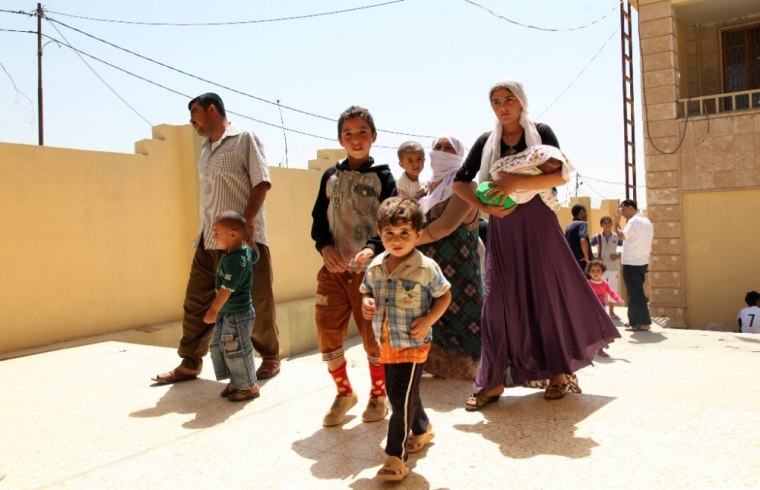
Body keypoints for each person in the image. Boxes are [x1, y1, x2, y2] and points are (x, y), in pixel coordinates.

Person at [451, 77, 620, 409]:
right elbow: (461, 182)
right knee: (496, 305)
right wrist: (486, 208)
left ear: (522, 101)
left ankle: (558, 374)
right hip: (503, 227)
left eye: (508, 99)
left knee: (546, 297)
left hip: (539, 224)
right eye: (496, 102)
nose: (503, 107)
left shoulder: (541, 132)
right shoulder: (487, 141)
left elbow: (560, 175)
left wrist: (515, 179)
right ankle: (492, 382)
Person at [153, 93, 281, 385]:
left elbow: (261, 183)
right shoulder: (205, 150)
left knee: (257, 299)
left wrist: (247, 223)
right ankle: (190, 362)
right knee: (196, 300)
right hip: (208, 240)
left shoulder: (244, 138)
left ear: (212, 109)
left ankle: (270, 357)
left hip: (243, 240)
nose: (191, 120)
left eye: (195, 112)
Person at [310, 106, 397, 427]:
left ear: (374, 136)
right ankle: (344, 392)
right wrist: (325, 247)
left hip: (370, 275)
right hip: (333, 271)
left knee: (373, 337)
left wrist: (372, 249)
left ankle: (378, 395)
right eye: (348, 133)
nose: (355, 139)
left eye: (362, 132)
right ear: (339, 139)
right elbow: (319, 221)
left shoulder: (384, 178)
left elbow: (390, 223)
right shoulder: (330, 177)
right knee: (327, 333)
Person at [360, 197, 452, 481]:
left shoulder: (426, 267)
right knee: (401, 393)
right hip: (386, 342)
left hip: (413, 345)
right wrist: (367, 303)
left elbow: (444, 296)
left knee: (399, 400)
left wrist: (427, 321)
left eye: (404, 233)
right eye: (389, 233)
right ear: (379, 232)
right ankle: (423, 429)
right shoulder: (375, 266)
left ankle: (395, 458)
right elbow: (366, 291)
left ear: (417, 235)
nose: (396, 240)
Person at [416, 133, 483, 380]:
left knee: (466, 320)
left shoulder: (466, 186)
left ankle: (477, 373)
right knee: (432, 318)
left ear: (460, 156)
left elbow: (446, 224)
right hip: (428, 271)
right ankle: (436, 367)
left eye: (449, 148)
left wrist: (408, 240)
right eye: (438, 146)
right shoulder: (424, 189)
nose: (442, 151)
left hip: (460, 272)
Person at [204, 212, 261, 402]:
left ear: (233, 234)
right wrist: (250, 241)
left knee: (237, 349)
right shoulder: (242, 251)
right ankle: (238, 381)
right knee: (225, 347)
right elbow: (255, 256)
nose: (214, 236)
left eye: (217, 232)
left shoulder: (235, 260)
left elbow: (226, 289)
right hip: (230, 312)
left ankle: (249, 387)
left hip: (236, 313)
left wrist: (213, 309)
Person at [614, 199, 654, 332]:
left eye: (624, 210)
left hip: (632, 263)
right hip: (642, 262)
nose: (623, 213)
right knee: (633, 292)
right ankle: (633, 321)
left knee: (637, 294)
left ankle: (644, 322)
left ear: (630, 208)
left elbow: (622, 236)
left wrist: (617, 223)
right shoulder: (646, 221)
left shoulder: (634, 221)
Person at [586, 260, 625, 358]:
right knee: (590, 331)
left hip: (602, 312)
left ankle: (600, 349)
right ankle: (588, 349)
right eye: (593, 271)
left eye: (598, 270)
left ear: (602, 272)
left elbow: (612, 292)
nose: (595, 273)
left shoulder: (604, 284)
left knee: (601, 331)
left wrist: (619, 299)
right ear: (589, 272)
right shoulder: (587, 283)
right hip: (590, 313)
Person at [590, 216, 623, 319]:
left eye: (609, 223)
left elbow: (627, 247)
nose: (607, 225)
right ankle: (600, 311)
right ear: (601, 225)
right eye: (605, 223)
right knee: (599, 290)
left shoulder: (616, 237)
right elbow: (587, 246)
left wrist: (619, 256)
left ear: (611, 224)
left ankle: (611, 312)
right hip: (600, 269)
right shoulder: (597, 237)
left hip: (613, 267)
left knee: (612, 289)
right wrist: (594, 257)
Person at [565, 204, 591, 275]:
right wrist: (586, 257)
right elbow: (583, 240)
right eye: (586, 212)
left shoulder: (569, 226)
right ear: (582, 212)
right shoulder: (581, 224)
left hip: (572, 262)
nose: (587, 214)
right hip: (582, 263)